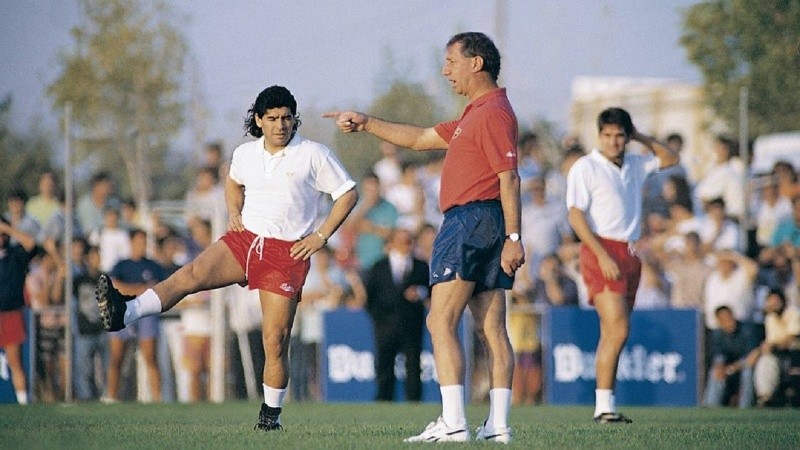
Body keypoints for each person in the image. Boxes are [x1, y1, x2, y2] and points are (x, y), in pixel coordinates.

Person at [96, 86, 358, 430]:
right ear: (259, 121)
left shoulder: (313, 153)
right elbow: (233, 182)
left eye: (287, 118)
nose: (281, 125)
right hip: (244, 239)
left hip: (286, 251)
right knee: (189, 275)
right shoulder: (246, 154)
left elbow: (348, 193)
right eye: (273, 118)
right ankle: (124, 312)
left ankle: (270, 417)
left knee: (274, 340)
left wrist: (320, 236)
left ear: (295, 119)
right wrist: (233, 210)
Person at [325, 31, 524, 443]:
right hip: (486, 223)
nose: (445, 69)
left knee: (439, 319)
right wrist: (366, 122)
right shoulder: (477, 113)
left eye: (451, 61)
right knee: (490, 328)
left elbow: (510, 177)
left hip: (469, 222)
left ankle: (454, 422)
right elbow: (419, 138)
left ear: (476, 63)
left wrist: (515, 235)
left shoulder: (491, 113)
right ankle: (498, 426)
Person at [566, 107, 679, 423]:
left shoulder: (636, 163)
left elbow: (671, 158)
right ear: (599, 135)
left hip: (630, 253)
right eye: (608, 135)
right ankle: (603, 407)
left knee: (615, 331)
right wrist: (601, 254)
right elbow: (575, 214)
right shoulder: (585, 167)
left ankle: (606, 405)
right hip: (601, 249)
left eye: (619, 136)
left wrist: (640, 135)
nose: (613, 142)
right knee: (617, 327)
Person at [365, 228, 430, 402]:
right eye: (401, 241)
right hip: (385, 323)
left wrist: (420, 293)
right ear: (392, 243)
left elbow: (431, 290)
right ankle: (384, 399)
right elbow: (370, 296)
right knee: (385, 363)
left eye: (409, 241)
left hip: (411, 323)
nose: (405, 245)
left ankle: (413, 400)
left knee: (413, 363)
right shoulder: (379, 267)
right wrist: (378, 318)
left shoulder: (421, 266)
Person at [103, 229, 166, 403]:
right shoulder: (121, 265)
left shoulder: (153, 266)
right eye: (138, 241)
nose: (142, 245)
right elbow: (114, 287)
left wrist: (130, 290)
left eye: (144, 242)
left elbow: (158, 289)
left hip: (146, 315)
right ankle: (111, 397)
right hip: (123, 312)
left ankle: (157, 399)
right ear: (131, 243)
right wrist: (140, 290)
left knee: (150, 357)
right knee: (116, 358)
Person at [0, 217, 38, 405]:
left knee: (15, 362)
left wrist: (9, 228)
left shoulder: (15, 254)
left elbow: (32, 245)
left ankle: (23, 402)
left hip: (11, 313)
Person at [703, 305, 759, 408]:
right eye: (723, 319)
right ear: (719, 321)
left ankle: (745, 407)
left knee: (747, 372)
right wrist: (719, 367)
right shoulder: (717, 334)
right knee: (715, 372)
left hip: (745, 366)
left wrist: (731, 368)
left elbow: (751, 357)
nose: (728, 322)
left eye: (729, 317)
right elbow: (718, 356)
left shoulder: (747, 330)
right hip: (729, 368)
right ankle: (711, 407)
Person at [752, 289, 800, 406]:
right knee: (765, 361)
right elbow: (770, 342)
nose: (773, 304)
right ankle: (765, 397)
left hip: (795, 354)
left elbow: (791, 338)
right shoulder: (770, 318)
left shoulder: (793, 312)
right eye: (771, 301)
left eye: (776, 301)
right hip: (779, 354)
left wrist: (772, 345)